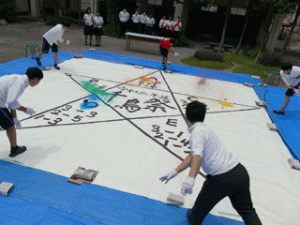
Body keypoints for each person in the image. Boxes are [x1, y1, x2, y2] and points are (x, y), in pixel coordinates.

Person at [160, 101, 262, 225]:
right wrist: (176, 170)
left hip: (221, 180)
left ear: (186, 117)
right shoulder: (204, 129)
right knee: (247, 211)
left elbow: (197, 156)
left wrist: (191, 178)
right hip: (240, 173)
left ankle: (193, 218)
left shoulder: (196, 133)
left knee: (195, 216)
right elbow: (192, 154)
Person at [0, 67, 43, 157]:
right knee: (10, 126)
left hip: (1, 100)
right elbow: (11, 102)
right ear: (35, 79)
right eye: (39, 81)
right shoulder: (20, 84)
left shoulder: (19, 79)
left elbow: (12, 101)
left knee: (10, 122)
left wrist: (15, 118)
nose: (38, 83)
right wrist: (25, 109)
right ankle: (14, 149)